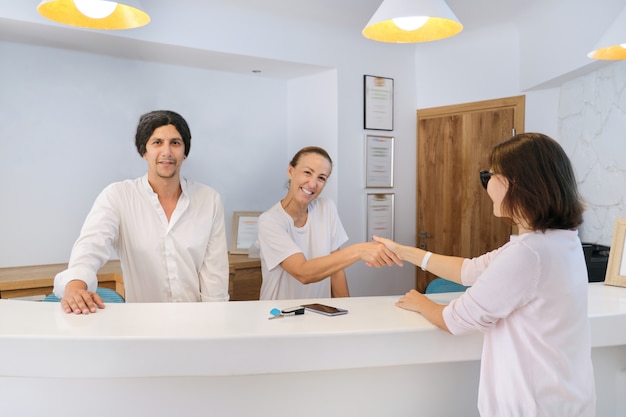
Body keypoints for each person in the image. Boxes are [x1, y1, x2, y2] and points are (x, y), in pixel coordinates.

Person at [374, 133, 596, 416]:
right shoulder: (559, 241)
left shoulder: (529, 254)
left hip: (534, 405)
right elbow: (471, 270)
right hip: (566, 398)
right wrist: (405, 252)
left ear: (514, 183)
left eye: (489, 176)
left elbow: (455, 319)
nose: (486, 184)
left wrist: (420, 301)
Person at [54, 110, 229, 314]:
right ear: (143, 151)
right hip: (142, 324)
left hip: (197, 321)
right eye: (157, 143)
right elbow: (91, 245)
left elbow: (215, 276)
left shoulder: (209, 199)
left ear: (185, 152)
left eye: (175, 143)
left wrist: (215, 324)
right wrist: (75, 285)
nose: (167, 152)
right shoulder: (118, 196)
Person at [258, 146, 401, 300]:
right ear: (291, 172)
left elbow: (336, 271)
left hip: (318, 315)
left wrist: (347, 311)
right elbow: (302, 272)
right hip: (278, 317)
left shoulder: (326, 208)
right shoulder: (270, 221)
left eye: (321, 178)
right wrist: (359, 251)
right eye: (307, 172)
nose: (312, 184)